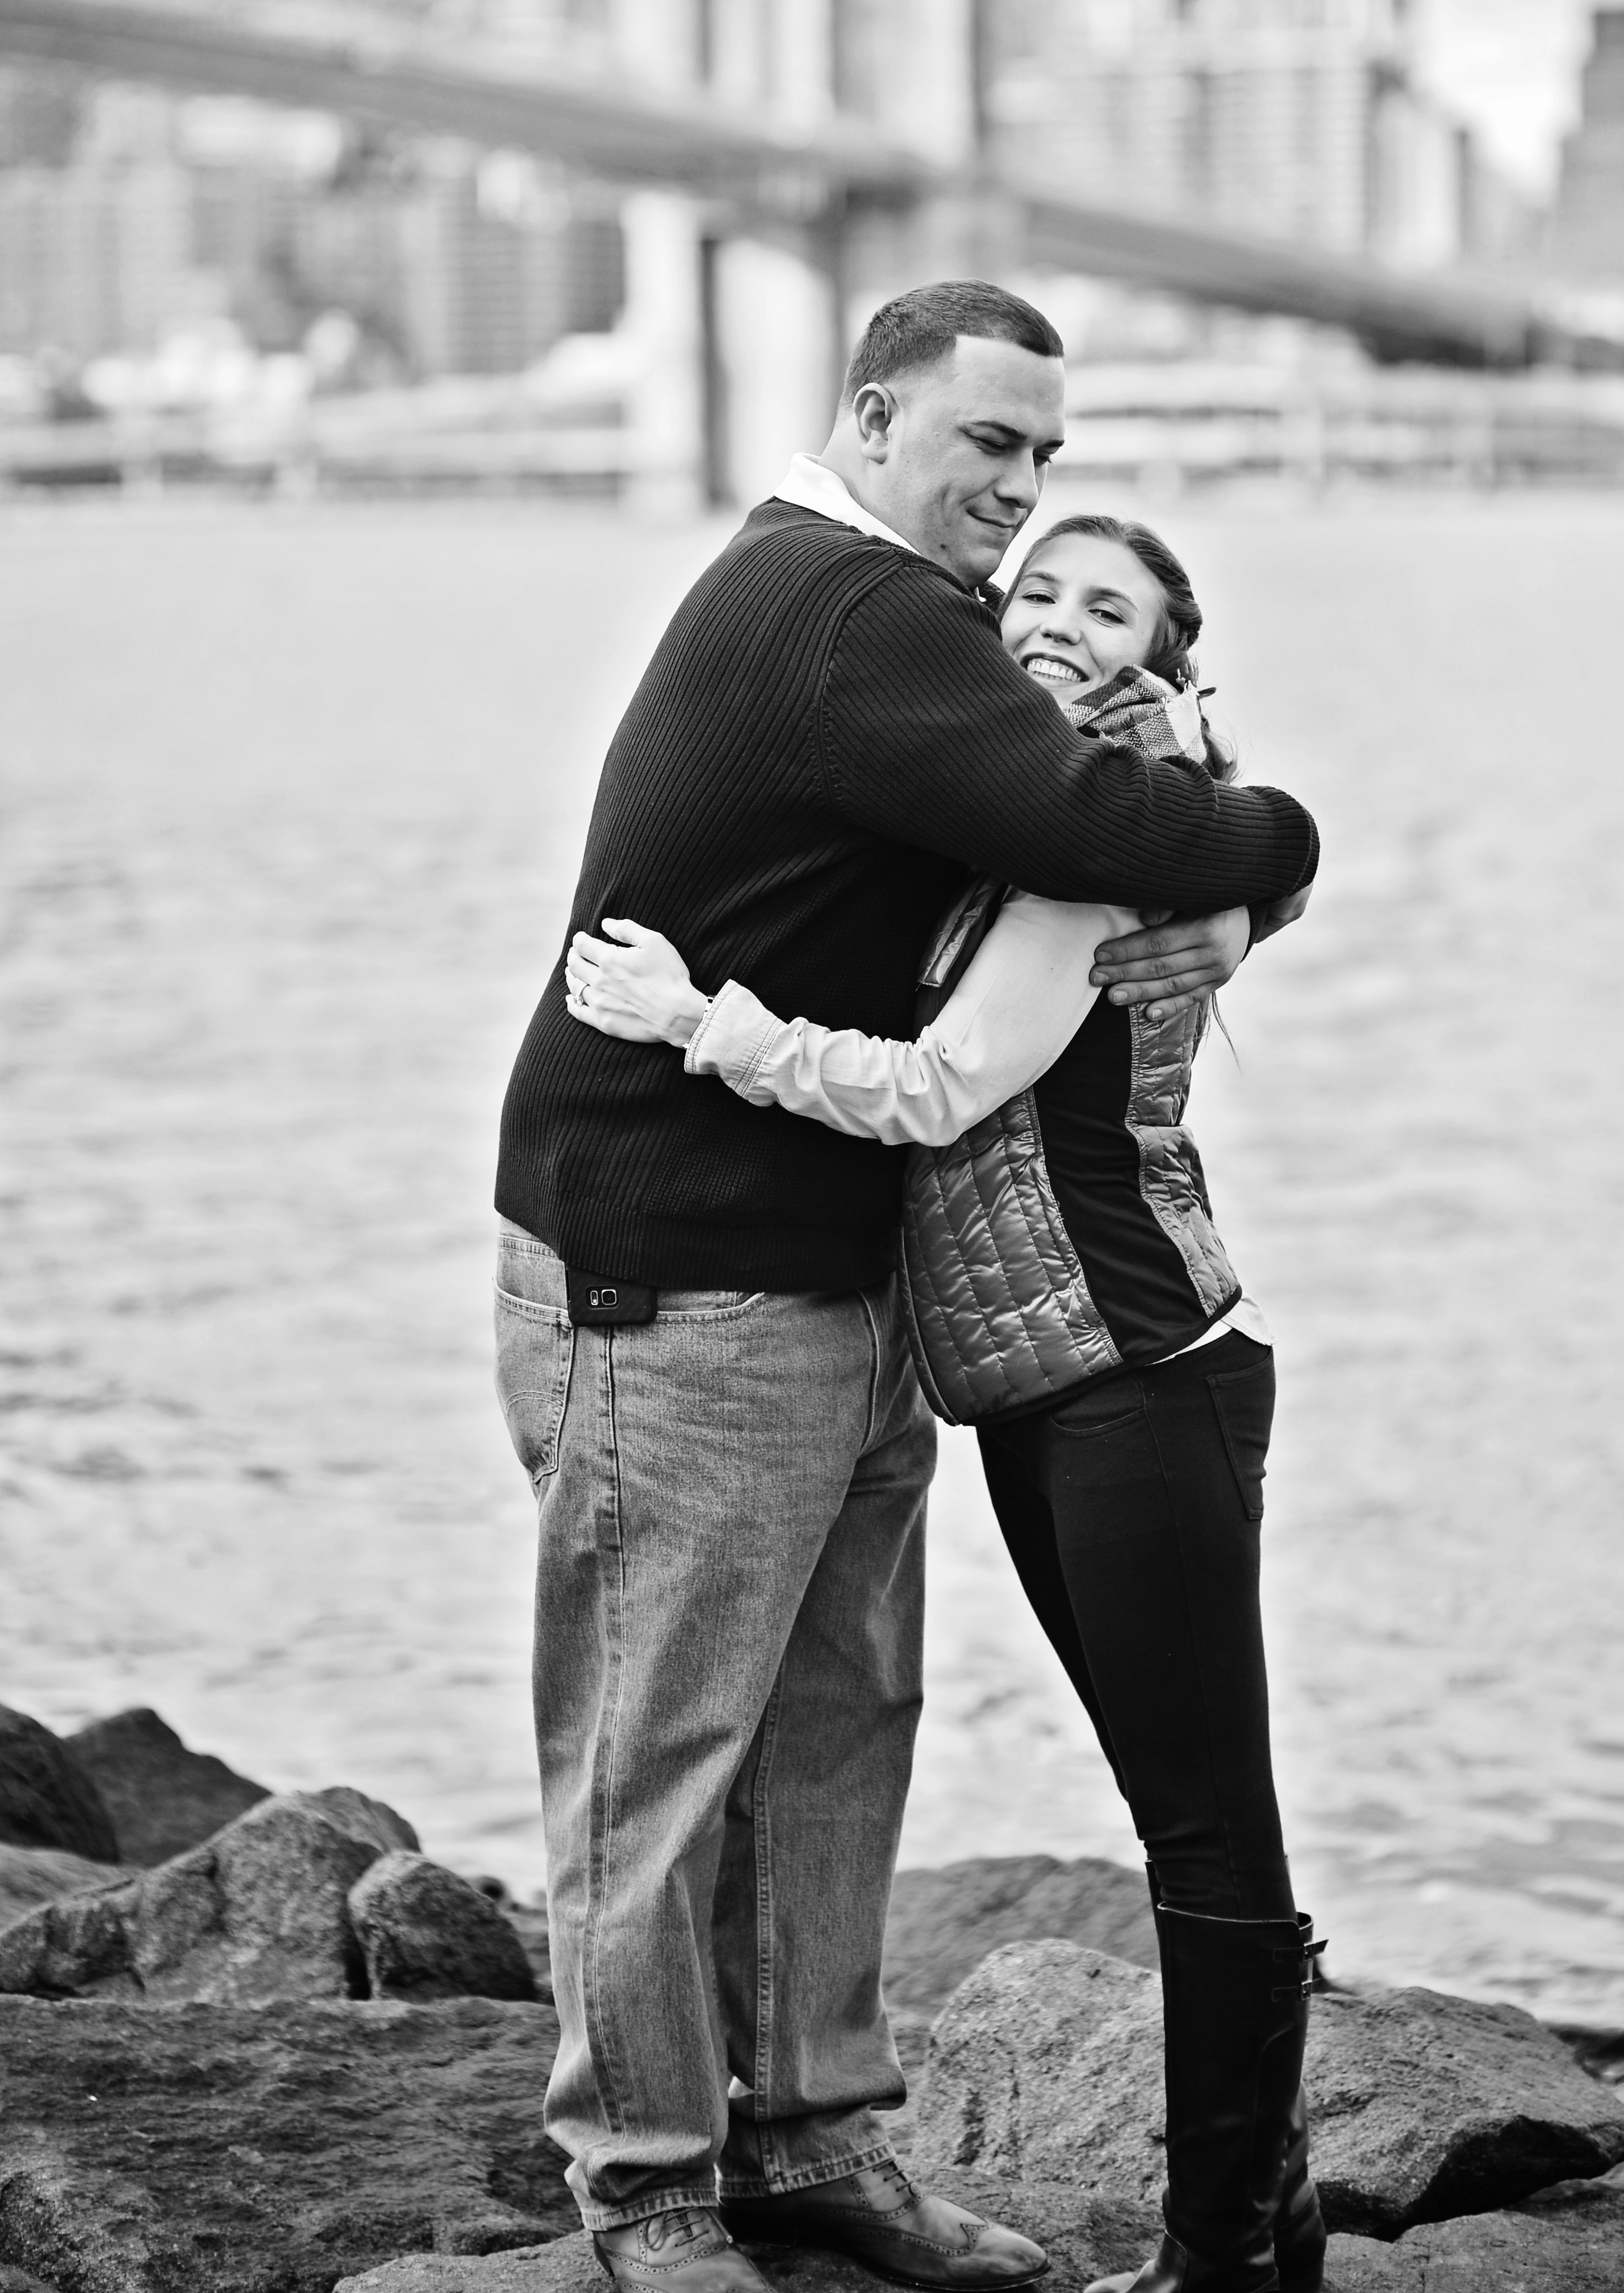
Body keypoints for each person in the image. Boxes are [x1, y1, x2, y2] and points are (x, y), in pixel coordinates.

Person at [493, 281, 1319, 2293]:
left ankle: (810, 2146)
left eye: (1047, 454)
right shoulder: (848, 609)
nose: (1021, 487)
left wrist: (1241, 889)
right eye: (988, 443)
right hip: (673, 1275)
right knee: (658, 1755)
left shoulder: (917, 623)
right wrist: (1277, 844)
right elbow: (1106, 821)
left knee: (839, 1730)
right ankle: (651, 2190)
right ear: (873, 421)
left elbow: (1110, 835)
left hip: (844, 1272)